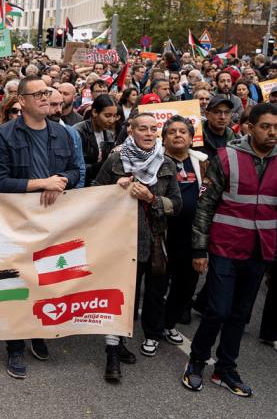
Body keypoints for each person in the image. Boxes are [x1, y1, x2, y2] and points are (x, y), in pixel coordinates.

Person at [182, 103, 277, 397]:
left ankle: (225, 368)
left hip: (261, 251)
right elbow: (206, 205)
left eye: (276, 127)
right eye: (266, 126)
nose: (272, 132)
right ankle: (196, 361)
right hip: (225, 246)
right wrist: (199, 249)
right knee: (218, 310)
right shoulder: (227, 157)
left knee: (240, 315)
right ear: (250, 127)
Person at [0, 75, 80, 379]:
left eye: (47, 92)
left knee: (46, 278)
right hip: (18, 222)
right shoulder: (4, 135)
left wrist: (64, 180)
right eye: (38, 94)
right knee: (16, 282)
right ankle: (15, 346)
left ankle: (38, 330)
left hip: (52, 222)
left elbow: (75, 171)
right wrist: (41, 183)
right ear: (23, 101)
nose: (45, 97)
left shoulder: (63, 134)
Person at [93, 112, 181, 383]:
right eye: (142, 128)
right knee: (119, 297)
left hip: (151, 242)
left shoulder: (165, 163)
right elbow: (95, 191)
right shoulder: (116, 159)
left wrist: (152, 198)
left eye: (153, 129)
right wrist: (115, 189)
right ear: (130, 131)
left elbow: (176, 205)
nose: (148, 133)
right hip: (120, 240)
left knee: (149, 294)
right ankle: (113, 352)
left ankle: (128, 339)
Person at [161, 116, 207, 343]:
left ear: (191, 138)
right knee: (156, 285)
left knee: (185, 287)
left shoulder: (203, 163)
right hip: (162, 236)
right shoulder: (154, 162)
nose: (178, 135)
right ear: (164, 138)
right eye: (172, 132)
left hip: (192, 238)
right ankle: (152, 330)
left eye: (183, 132)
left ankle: (168, 324)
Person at [73, 95, 119, 187]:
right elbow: (74, 165)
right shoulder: (78, 131)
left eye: (114, 116)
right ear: (94, 112)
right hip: (81, 185)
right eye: (107, 116)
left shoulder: (109, 134)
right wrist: (98, 167)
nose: (112, 120)